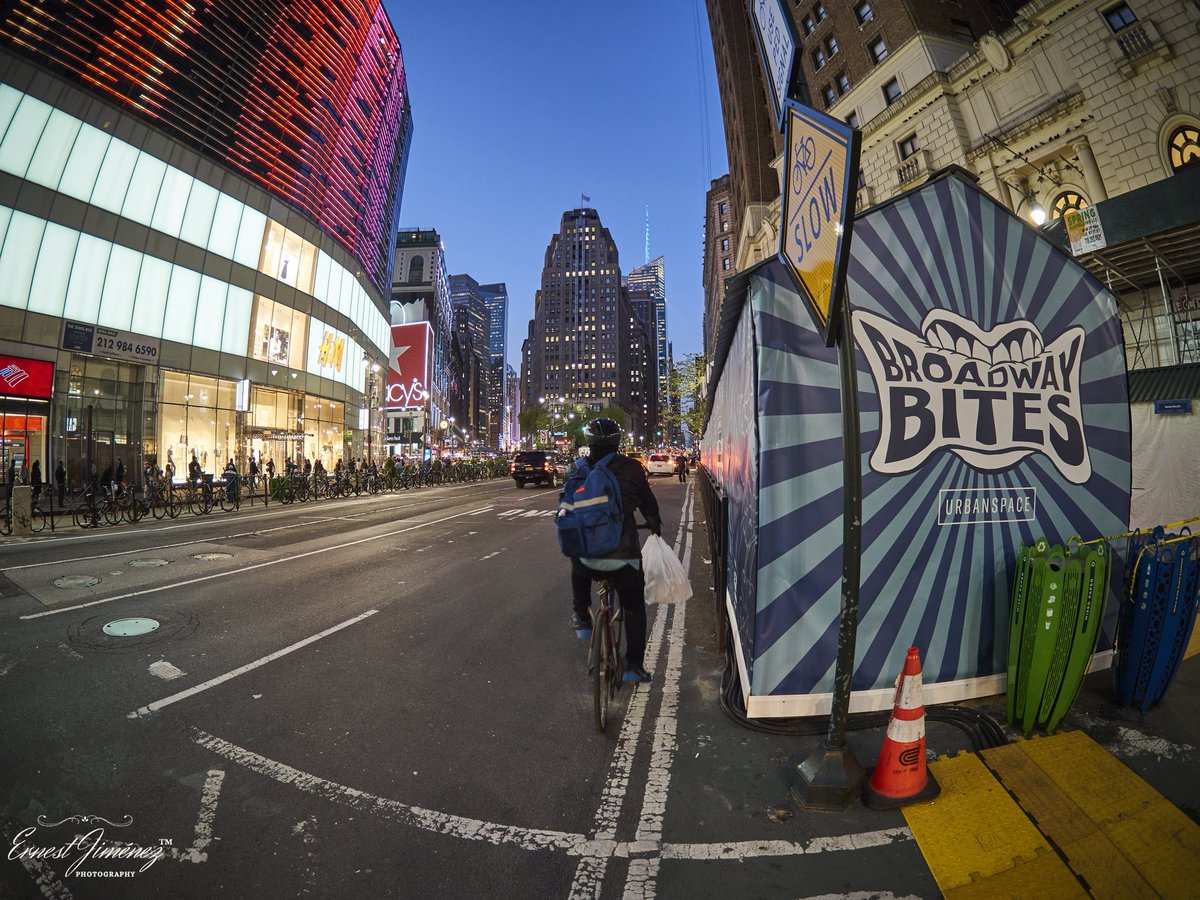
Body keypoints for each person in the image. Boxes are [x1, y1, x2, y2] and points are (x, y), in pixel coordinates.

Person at [566, 417, 662, 683]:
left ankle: (581, 617)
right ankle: (633, 667)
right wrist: (653, 523)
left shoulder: (578, 469)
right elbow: (648, 503)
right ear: (618, 441)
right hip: (624, 556)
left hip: (587, 556)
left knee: (579, 562)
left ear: (589, 441)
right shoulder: (632, 468)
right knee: (633, 607)